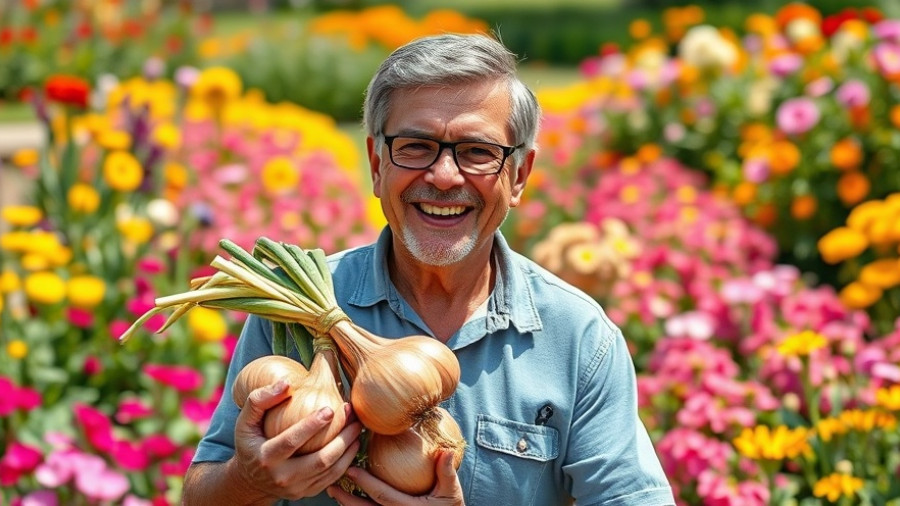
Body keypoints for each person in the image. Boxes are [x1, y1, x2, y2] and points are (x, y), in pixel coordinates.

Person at [182, 33, 675, 506]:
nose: (443, 176)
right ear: (377, 165)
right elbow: (201, 494)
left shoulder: (579, 339)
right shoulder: (291, 310)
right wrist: (246, 482)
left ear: (519, 176)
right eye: (415, 146)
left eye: (478, 152)